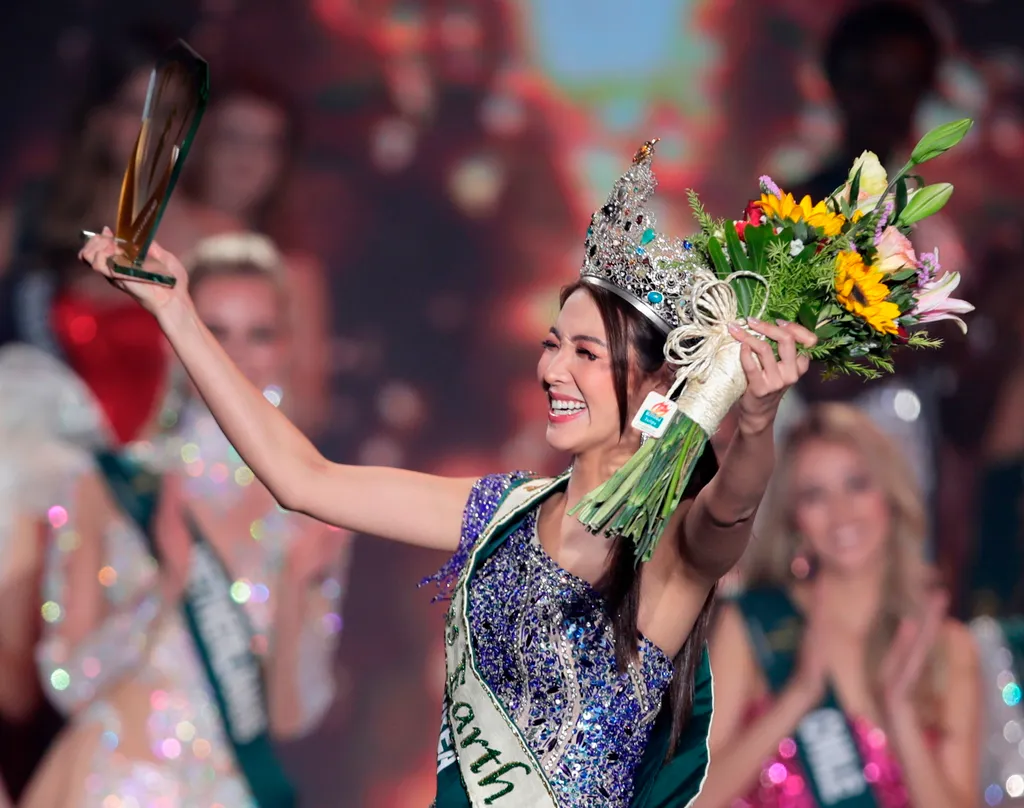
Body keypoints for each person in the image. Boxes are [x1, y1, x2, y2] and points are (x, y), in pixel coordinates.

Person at [80, 141, 816, 807]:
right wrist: (174, 311)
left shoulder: (664, 551)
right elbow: (302, 480)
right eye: (553, 344)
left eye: (586, 355)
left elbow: (729, 511)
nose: (552, 369)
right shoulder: (501, 511)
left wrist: (754, 423)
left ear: (655, 390)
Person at [21, 233, 348, 808]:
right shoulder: (111, 486)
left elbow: (291, 718)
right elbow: (68, 681)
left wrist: (297, 588)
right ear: (176, 336)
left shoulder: (317, 509)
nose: (236, 356)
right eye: (213, 330)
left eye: (260, 334)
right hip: (117, 784)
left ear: (288, 346)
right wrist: (166, 587)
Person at [698, 403, 981, 808]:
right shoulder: (754, 626)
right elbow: (693, 798)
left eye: (857, 484)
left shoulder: (947, 648)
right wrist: (798, 696)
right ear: (795, 518)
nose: (840, 512)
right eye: (815, 495)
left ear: (889, 493)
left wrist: (899, 711)